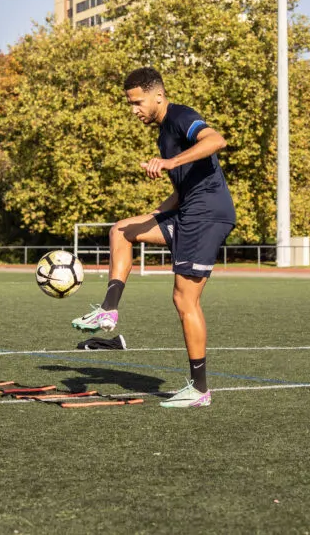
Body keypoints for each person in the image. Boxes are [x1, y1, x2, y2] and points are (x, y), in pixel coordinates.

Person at [71, 67, 236, 408]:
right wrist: (154, 214)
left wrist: (169, 161)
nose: (134, 110)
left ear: (158, 95)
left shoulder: (180, 117)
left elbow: (216, 140)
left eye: (137, 102)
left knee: (184, 300)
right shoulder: (164, 133)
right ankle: (108, 311)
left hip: (206, 215)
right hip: (189, 211)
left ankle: (199, 389)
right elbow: (181, 191)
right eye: (130, 104)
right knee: (121, 230)